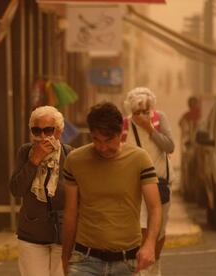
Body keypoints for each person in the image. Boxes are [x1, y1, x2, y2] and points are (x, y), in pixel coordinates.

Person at [61, 102, 162, 276]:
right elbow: (70, 212)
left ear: (120, 133)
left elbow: (155, 207)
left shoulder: (139, 159)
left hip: (127, 262)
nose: (102, 147)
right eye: (96, 140)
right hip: (84, 260)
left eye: (108, 140)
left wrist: (150, 244)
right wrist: (65, 257)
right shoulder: (75, 160)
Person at [10, 105, 73, 276]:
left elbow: (74, 197)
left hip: (62, 234)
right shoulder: (26, 152)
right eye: (37, 131)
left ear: (59, 131)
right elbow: (16, 189)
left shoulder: (70, 156)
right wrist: (34, 160)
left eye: (48, 130)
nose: (43, 136)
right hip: (32, 233)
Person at [122, 87, 175, 276]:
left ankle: (154, 263)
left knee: (159, 230)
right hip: (135, 185)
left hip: (160, 182)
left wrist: (150, 129)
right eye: (138, 112)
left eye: (146, 111)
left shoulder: (159, 119)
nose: (142, 116)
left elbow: (170, 146)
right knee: (142, 228)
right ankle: (141, 269)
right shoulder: (125, 124)